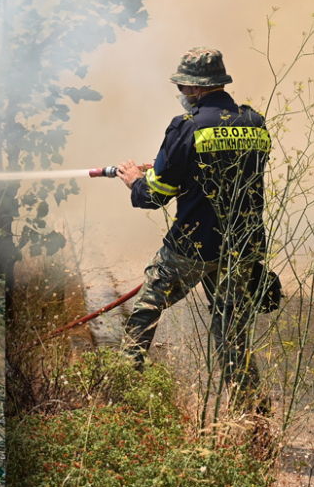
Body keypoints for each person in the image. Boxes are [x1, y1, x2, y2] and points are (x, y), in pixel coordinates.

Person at [116, 47, 271, 396]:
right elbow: (223, 175)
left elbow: (154, 196)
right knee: (232, 330)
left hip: (192, 245)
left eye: (184, 89)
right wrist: (163, 166)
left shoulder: (187, 127)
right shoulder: (255, 123)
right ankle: (248, 410)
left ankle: (122, 392)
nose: (183, 96)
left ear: (196, 89)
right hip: (241, 246)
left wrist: (135, 181)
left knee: (147, 308)